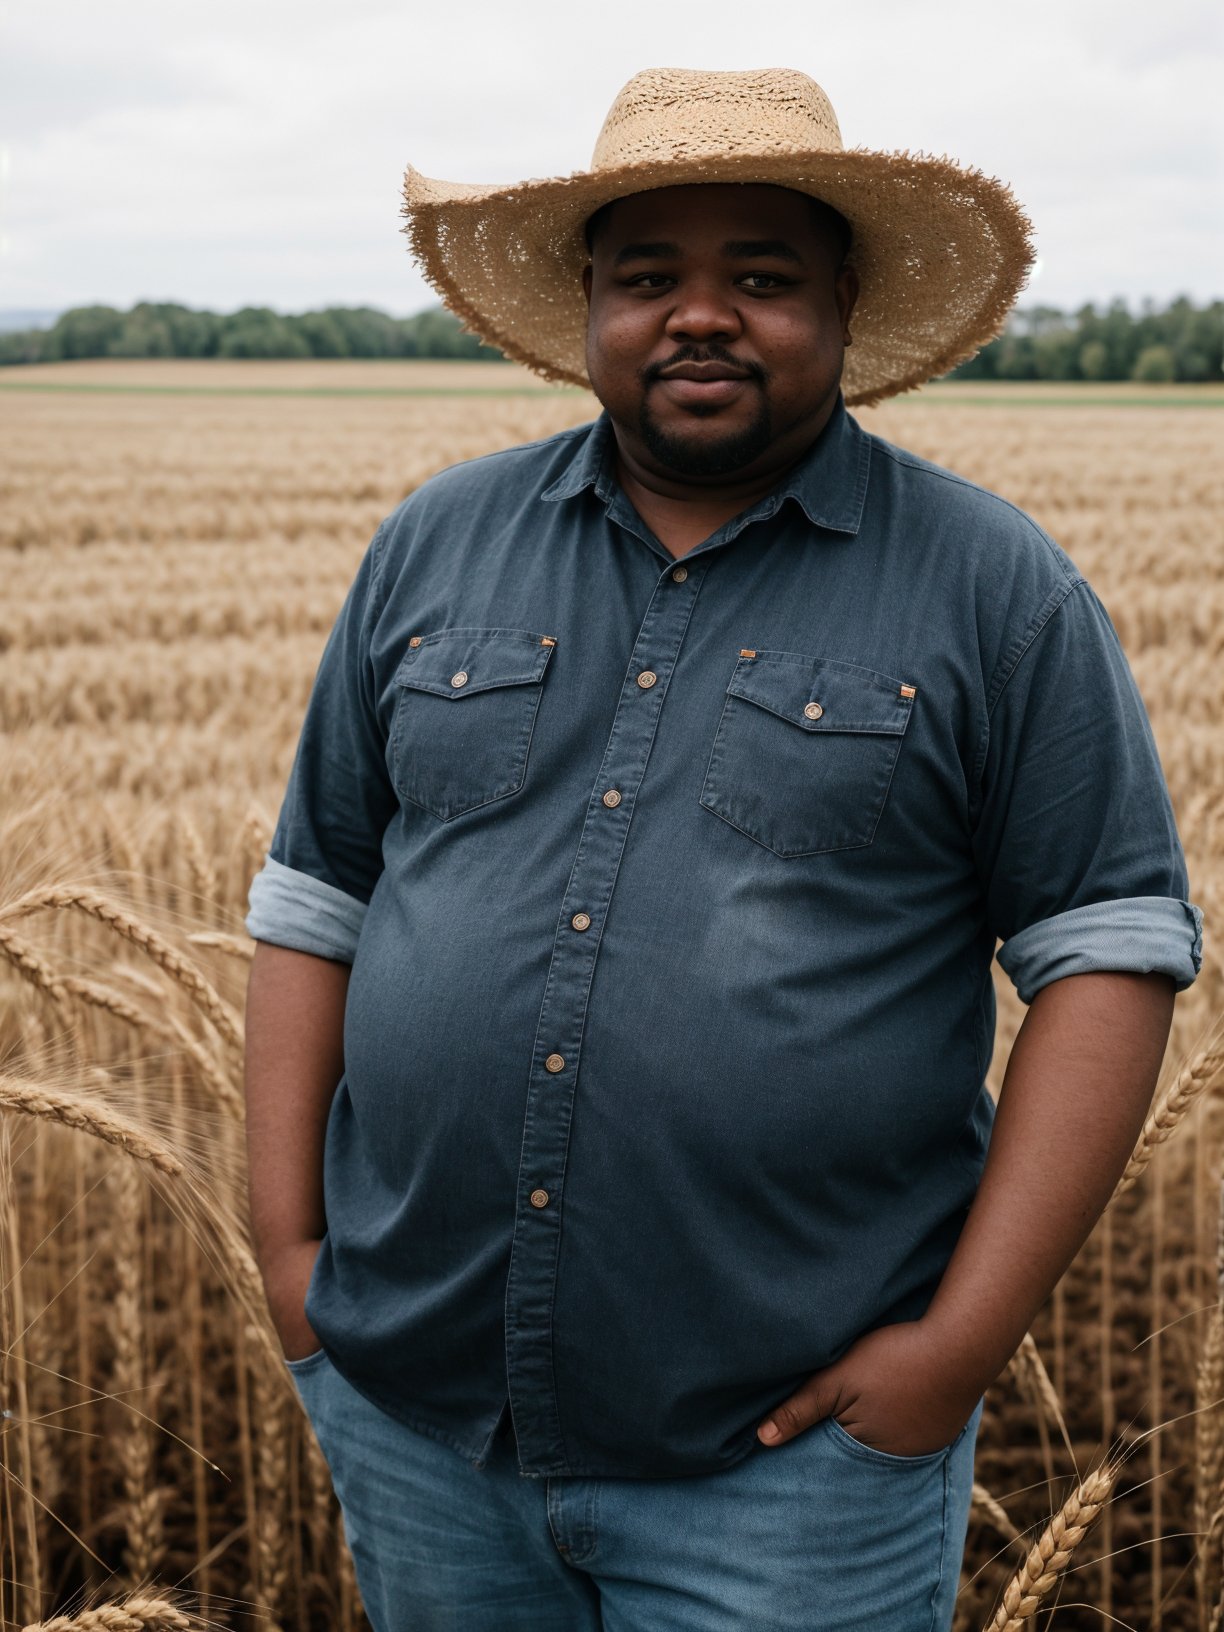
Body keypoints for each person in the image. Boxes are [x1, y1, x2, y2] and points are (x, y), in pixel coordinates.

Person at [242, 67, 1204, 1632]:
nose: (702, 317)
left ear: (842, 304)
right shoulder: (433, 542)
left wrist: (955, 1353)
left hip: (797, 1471)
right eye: (649, 279)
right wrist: (289, 1256)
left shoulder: (994, 588)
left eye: (761, 277)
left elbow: (1109, 956)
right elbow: (317, 897)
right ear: (588, 308)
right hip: (421, 1422)